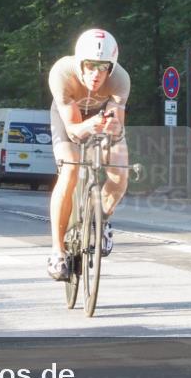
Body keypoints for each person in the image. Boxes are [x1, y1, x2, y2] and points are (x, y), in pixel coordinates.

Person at [46, 29, 130, 281]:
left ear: (111, 68)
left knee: (120, 172)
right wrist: (88, 125)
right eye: (91, 66)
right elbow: (73, 130)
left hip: (101, 117)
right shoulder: (61, 73)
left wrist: (111, 128)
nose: (96, 74)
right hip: (69, 119)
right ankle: (57, 251)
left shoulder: (121, 79)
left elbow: (118, 126)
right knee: (70, 168)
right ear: (80, 63)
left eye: (103, 68)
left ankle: (99, 220)